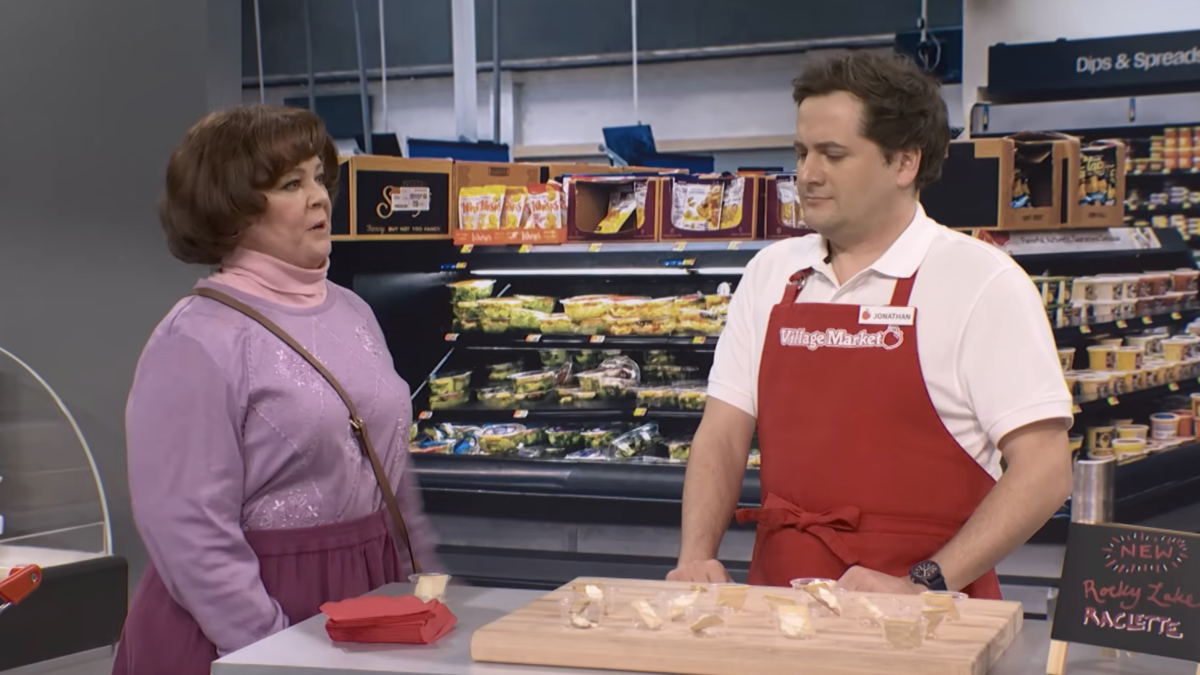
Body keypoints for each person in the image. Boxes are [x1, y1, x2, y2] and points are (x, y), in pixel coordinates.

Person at [667, 52, 1073, 598]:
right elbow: (722, 433)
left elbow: (1045, 470)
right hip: (780, 604)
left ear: (904, 163)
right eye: (802, 152)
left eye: (833, 154)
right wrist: (696, 557)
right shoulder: (771, 273)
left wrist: (924, 584)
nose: (807, 175)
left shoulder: (982, 283)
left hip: (928, 614)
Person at [114, 105, 441, 675]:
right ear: (231, 210)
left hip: (368, 596)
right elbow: (186, 527)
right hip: (240, 622)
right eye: (292, 184)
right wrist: (270, 650)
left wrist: (422, 585)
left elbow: (392, 475)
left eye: (319, 178)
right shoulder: (196, 338)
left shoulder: (355, 313)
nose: (319, 198)